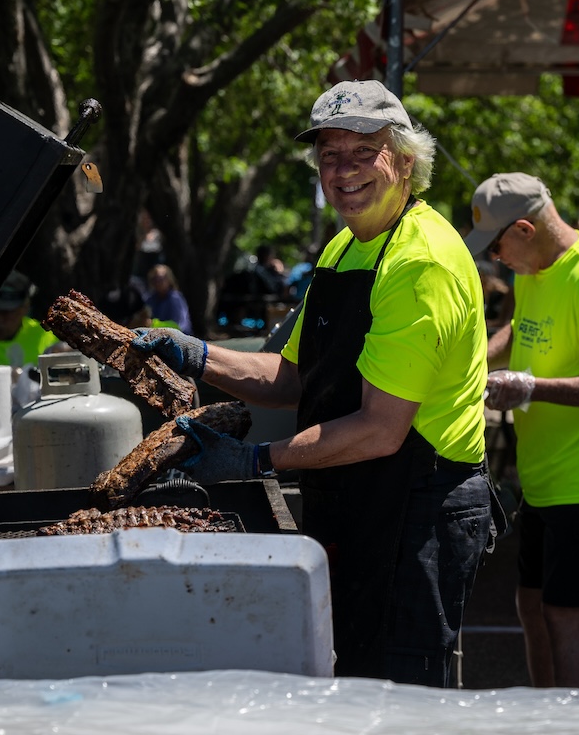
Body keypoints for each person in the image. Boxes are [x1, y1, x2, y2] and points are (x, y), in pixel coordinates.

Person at [130, 79, 494, 687]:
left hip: (415, 507)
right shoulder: (343, 249)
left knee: (401, 698)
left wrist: (254, 459)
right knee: (352, 678)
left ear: (405, 162)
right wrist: (194, 354)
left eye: (362, 153)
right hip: (354, 497)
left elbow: (380, 430)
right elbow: (293, 378)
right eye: (330, 156)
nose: (344, 170)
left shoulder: (419, 260)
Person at [465, 173, 579, 689]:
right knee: (531, 605)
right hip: (546, 475)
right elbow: (516, 328)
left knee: (567, 618)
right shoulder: (534, 267)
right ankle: (544, 714)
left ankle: (576, 726)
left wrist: (528, 388)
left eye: (497, 244)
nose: (494, 258)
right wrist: (472, 363)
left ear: (525, 228)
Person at [144, 263, 193, 333]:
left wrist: (153, 323)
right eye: (155, 279)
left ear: (169, 280)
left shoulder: (175, 298)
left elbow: (178, 325)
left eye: (161, 279)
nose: (157, 282)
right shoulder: (150, 299)